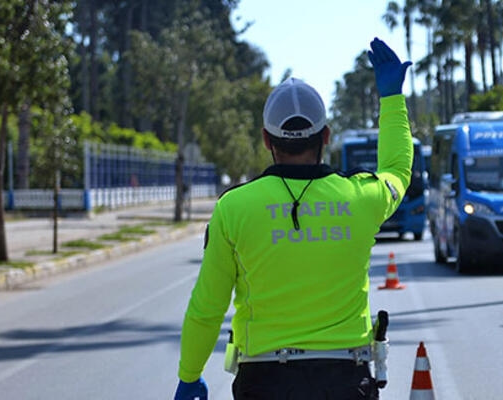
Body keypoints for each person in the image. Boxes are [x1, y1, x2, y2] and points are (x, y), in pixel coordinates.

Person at [173, 37, 412, 400]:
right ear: (327, 137)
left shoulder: (233, 208)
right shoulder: (362, 197)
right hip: (346, 380)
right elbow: (397, 170)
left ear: (267, 140)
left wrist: (190, 375)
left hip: (264, 382)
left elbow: (207, 308)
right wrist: (392, 99)